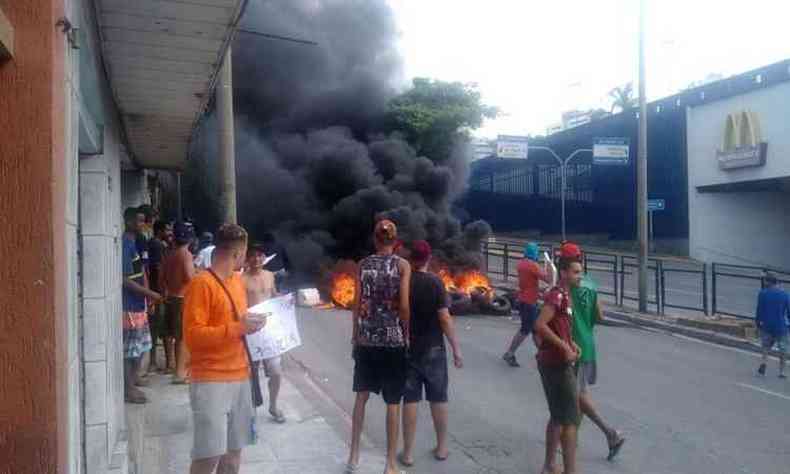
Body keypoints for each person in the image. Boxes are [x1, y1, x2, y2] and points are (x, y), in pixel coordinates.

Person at [183, 224, 265, 474]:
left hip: (241, 377)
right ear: (238, 253)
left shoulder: (237, 282)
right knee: (208, 457)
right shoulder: (201, 284)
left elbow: (237, 323)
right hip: (210, 381)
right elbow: (193, 337)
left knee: (232, 457)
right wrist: (238, 328)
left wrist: (252, 324)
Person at [346, 219, 411, 474]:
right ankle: (390, 464)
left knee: (361, 397)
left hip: (366, 340)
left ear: (375, 239)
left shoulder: (363, 265)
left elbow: (357, 303)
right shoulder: (402, 265)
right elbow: (404, 305)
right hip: (393, 341)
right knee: (393, 401)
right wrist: (406, 333)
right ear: (395, 242)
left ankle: (353, 456)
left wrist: (355, 335)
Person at [399, 240, 463, 468]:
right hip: (434, 349)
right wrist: (456, 349)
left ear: (410, 258)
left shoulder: (403, 281)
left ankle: (407, 453)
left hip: (408, 349)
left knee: (411, 399)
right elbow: (444, 318)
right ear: (428, 258)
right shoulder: (436, 283)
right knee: (438, 397)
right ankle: (442, 447)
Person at [563, 242, 626, 462]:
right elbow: (599, 316)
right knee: (579, 393)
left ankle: (611, 433)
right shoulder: (589, 283)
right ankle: (572, 439)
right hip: (588, 343)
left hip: (574, 346)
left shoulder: (569, 284)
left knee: (577, 395)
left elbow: (565, 315)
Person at [534, 256, 583, 474]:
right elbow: (540, 325)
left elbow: (561, 326)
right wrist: (564, 347)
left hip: (558, 361)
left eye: (580, 272)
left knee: (557, 416)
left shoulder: (565, 296)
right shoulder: (556, 295)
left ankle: (549, 465)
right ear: (563, 272)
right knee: (571, 419)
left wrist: (572, 343)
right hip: (556, 364)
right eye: (576, 272)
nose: (579, 276)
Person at [242, 242, 286, 423]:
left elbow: (273, 294)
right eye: (253, 255)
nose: (256, 259)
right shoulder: (241, 280)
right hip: (250, 331)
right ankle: (250, 409)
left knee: (276, 371)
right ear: (247, 258)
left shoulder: (269, 275)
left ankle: (273, 405)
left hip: (269, 331)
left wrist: (284, 300)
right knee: (250, 373)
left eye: (260, 255)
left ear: (264, 258)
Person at [122, 207, 162, 404]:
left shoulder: (134, 243)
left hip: (139, 304)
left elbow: (141, 273)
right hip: (129, 305)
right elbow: (125, 280)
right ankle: (128, 388)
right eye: (139, 221)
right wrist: (150, 294)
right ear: (129, 222)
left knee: (140, 346)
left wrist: (147, 298)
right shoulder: (124, 245)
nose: (142, 224)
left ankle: (134, 379)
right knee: (131, 350)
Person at [503, 242, 552, 367]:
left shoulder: (521, 264)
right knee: (525, 330)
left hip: (524, 299)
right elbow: (548, 279)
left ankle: (543, 355)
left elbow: (528, 284)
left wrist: (538, 292)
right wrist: (550, 267)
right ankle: (510, 353)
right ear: (534, 253)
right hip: (529, 302)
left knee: (535, 330)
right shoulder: (533, 265)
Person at [162, 221, 196, 383]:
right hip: (183, 299)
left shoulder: (169, 255)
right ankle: (181, 373)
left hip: (171, 297)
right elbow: (190, 278)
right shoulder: (186, 255)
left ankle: (176, 368)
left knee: (175, 336)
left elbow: (162, 279)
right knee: (183, 338)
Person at [146, 220, 173, 374]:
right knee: (157, 327)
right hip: (157, 291)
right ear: (160, 230)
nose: (169, 233)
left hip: (156, 290)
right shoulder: (158, 245)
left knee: (156, 327)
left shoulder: (155, 243)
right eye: (167, 229)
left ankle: (155, 361)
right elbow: (158, 268)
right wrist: (162, 290)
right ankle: (153, 362)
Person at [756, 272, 790, 378]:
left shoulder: (762, 293)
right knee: (783, 349)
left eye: (765, 280)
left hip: (767, 325)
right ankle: (782, 372)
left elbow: (759, 310)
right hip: (781, 326)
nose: (764, 282)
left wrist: (758, 323)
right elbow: (789, 312)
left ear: (768, 282)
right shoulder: (785, 295)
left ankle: (764, 362)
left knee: (766, 346)